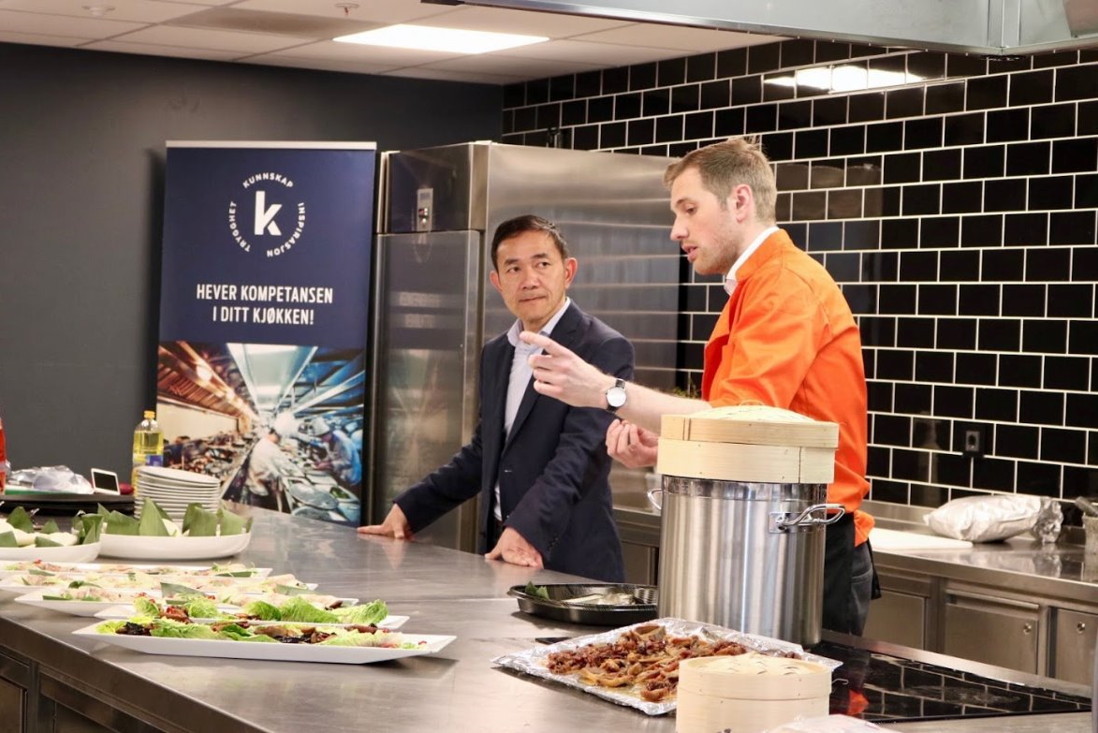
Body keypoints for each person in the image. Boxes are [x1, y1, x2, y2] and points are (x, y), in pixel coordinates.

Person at [518, 137, 876, 635]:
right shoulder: (755, 286)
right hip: (770, 534)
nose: (676, 230)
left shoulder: (785, 286)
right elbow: (741, 423)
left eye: (689, 209)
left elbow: (740, 423)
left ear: (740, 201)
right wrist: (668, 445)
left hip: (805, 543)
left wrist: (606, 391)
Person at [359, 214, 634, 581]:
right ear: (497, 282)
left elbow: (578, 457)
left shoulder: (602, 347)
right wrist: (411, 510)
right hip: (501, 555)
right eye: (514, 269)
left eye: (542, 264)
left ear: (568, 272)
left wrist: (524, 528)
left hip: (572, 566)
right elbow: (483, 454)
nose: (529, 280)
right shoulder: (497, 352)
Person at [246, 413, 298, 510]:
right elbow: (289, 468)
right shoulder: (272, 449)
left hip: (255, 487)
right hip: (259, 492)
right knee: (259, 517)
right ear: (280, 437)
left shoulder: (264, 441)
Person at [312, 418, 362, 490]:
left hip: (351, 474)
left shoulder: (344, 442)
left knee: (348, 491)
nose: (321, 439)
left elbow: (347, 461)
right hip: (340, 473)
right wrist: (322, 461)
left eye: (322, 437)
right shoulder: (328, 441)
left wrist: (329, 464)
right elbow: (330, 455)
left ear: (329, 433)